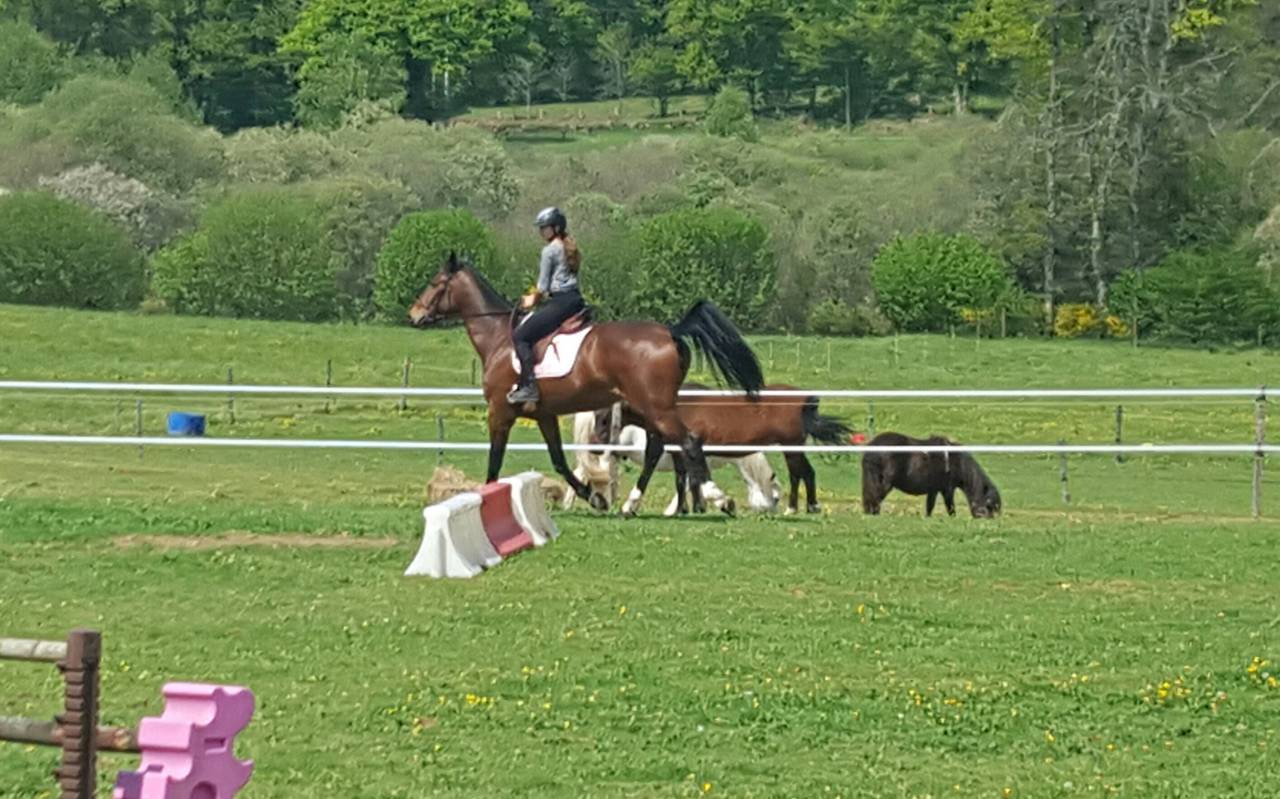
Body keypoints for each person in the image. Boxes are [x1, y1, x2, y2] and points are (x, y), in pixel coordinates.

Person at [507, 206, 585, 404]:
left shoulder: (549, 250)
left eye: (545, 228)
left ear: (556, 228)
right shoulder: (569, 247)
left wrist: (529, 300)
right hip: (575, 299)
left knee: (521, 336)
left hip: (560, 302)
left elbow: (542, 287)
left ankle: (529, 387)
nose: (541, 232)